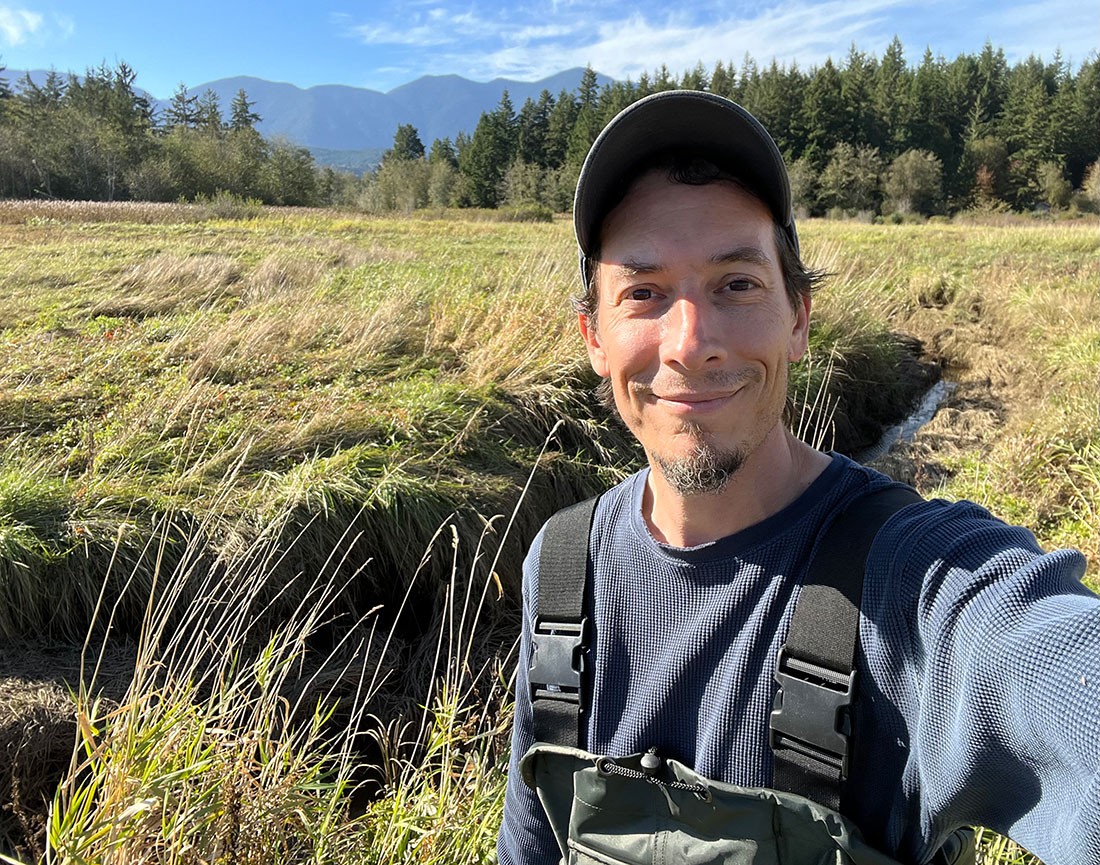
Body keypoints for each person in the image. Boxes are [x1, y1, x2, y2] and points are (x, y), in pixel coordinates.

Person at [497, 90, 1100, 865]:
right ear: (593, 336)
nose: (691, 342)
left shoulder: (915, 585)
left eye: (737, 284)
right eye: (643, 292)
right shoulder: (559, 570)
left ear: (800, 318)